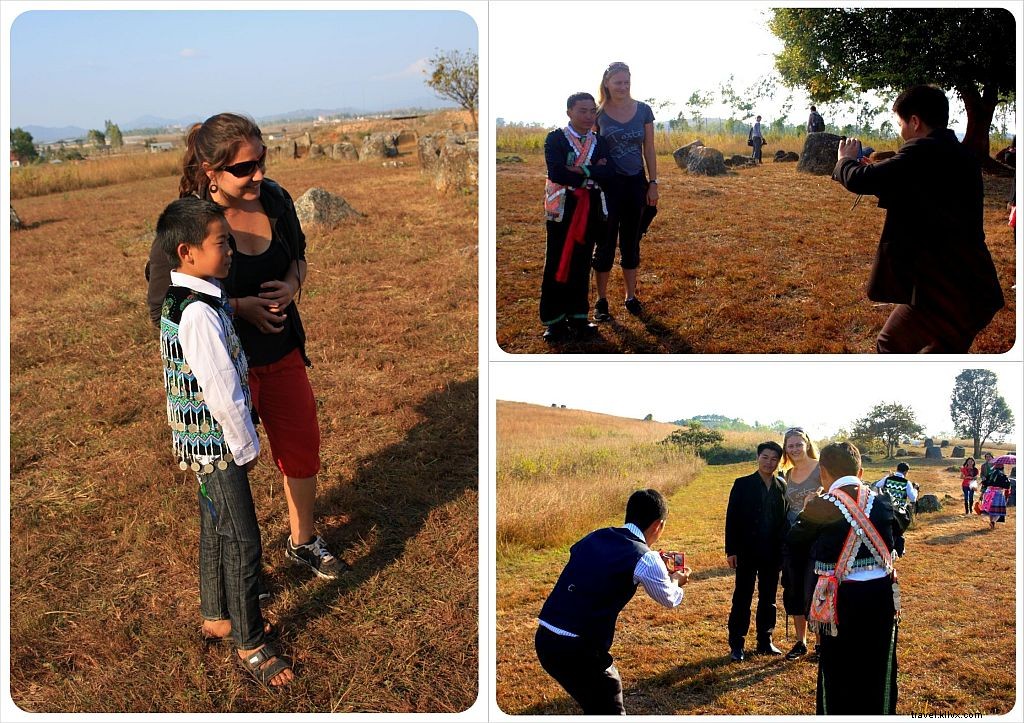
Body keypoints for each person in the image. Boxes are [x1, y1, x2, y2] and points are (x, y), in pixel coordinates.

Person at [147, 113, 344, 580]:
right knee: (227, 470)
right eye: (243, 168)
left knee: (302, 448)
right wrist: (240, 307)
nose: (257, 174)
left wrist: (292, 286)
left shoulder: (274, 198)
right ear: (211, 172)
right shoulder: (189, 221)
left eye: (261, 160)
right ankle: (238, 574)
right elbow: (163, 303)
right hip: (221, 369)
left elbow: (299, 257)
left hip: (282, 353)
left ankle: (303, 541)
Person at [155, 197, 294, 690]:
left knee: (216, 528)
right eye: (221, 243)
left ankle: (217, 615)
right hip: (217, 444)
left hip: (200, 444)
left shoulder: (188, 297)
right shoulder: (198, 313)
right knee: (244, 541)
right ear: (187, 252)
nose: (231, 250)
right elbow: (221, 388)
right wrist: (246, 446)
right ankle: (251, 644)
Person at [832, 84, 1004, 353]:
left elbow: (860, 180)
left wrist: (845, 161)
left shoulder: (922, 151)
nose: (900, 130)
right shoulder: (961, 154)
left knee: (890, 344)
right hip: (976, 287)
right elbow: (924, 190)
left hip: (944, 291)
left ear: (915, 121)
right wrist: (884, 172)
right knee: (939, 353)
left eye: (900, 122)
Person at [535, 489, 692, 714]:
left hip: (545, 638)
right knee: (608, 696)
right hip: (577, 649)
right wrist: (677, 579)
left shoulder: (595, 535)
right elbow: (669, 598)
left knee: (594, 700)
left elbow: (586, 556)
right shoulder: (645, 558)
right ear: (658, 525)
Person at [787, 442, 904, 715]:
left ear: (823, 473)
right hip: (882, 595)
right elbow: (901, 530)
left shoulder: (821, 506)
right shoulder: (884, 500)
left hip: (838, 600)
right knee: (879, 665)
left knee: (837, 668)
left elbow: (794, 543)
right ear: (860, 471)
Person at [540, 92, 615, 343]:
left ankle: (579, 316)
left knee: (582, 262)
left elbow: (609, 172)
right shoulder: (556, 139)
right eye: (582, 111)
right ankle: (554, 321)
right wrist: (592, 172)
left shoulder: (599, 141)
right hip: (563, 209)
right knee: (558, 261)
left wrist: (579, 169)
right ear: (569, 112)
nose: (588, 116)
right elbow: (557, 172)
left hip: (590, 208)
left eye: (592, 111)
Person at [593, 61, 658, 321]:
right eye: (618, 82)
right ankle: (601, 300)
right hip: (608, 187)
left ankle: (631, 296)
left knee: (631, 242)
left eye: (626, 82)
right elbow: (591, 149)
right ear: (607, 83)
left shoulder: (644, 110)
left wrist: (653, 183)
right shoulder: (597, 114)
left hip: (635, 184)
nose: (623, 86)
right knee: (605, 243)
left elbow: (649, 149)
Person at [725, 441, 789, 661]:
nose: (769, 462)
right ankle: (737, 644)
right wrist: (731, 550)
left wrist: (783, 551)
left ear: (779, 461)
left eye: (774, 459)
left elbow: (783, 520)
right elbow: (731, 518)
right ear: (758, 457)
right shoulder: (742, 484)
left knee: (769, 598)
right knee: (742, 597)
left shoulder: (782, 486)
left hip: (772, 552)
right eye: (765, 457)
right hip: (746, 550)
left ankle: (765, 640)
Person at [779, 428, 822, 661]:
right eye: (790, 445)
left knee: (815, 587)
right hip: (793, 538)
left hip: (816, 536)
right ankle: (800, 642)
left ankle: (820, 643)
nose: (794, 449)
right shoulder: (787, 474)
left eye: (798, 444)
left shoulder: (820, 467)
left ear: (806, 443)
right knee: (794, 587)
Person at [980, 463, 1011, 529]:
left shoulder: (990, 475)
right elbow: (1007, 486)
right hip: (998, 494)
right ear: (1002, 468)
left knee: (991, 510)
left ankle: (992, 522)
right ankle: (993, 522)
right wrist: (1007, 479)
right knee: (998, 511)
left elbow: (984, 483)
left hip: (988, 493)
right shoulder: (1003, 476)